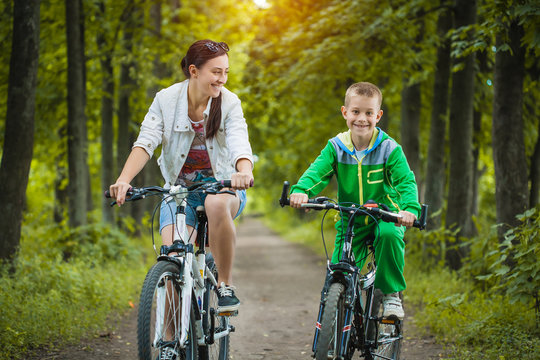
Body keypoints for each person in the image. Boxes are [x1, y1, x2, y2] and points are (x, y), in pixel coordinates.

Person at [109, 39, 254, 315]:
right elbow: (146, 142)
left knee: (215, 203)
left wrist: (244, 172)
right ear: (193, 71)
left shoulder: (230, 103)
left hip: (223, 187)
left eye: (226, 72)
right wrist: (124, 179)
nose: (222, 79)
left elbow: (239, 142)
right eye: (216, 72)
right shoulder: (166, 100)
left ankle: (225, 285)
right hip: (179, 193)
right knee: (174, 261)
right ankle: (169, 348)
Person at [289, 82, 420, 320]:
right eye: (356, 112)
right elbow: (316, 173)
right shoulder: (336, 147)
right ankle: (341, 319)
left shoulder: (390, 148)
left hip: (384, 216)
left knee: (390, 236)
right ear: (345, 112)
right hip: (351, 219)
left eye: (369, 113)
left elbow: (405, 182)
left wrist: (410, 209)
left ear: (378, 116)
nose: (362, 118)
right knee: (339, 272)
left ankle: (391, 294)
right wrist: (301, 191)